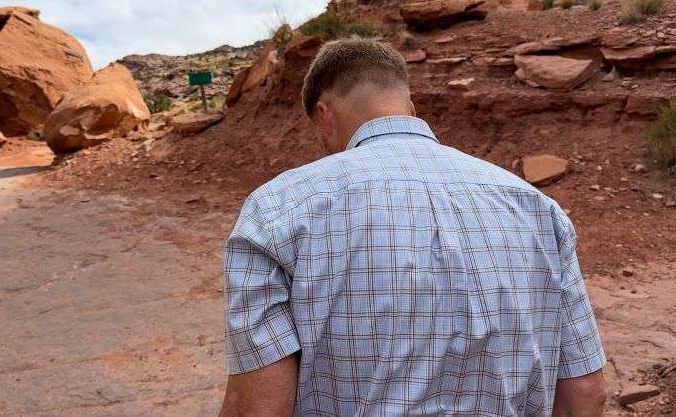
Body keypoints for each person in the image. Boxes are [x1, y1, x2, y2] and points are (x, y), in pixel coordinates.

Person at [218, 39, 607, 416]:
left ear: (326, 115)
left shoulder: (276, 211)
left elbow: (258, 408)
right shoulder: (537, 208)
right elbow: (585, 396)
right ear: (410, 108)